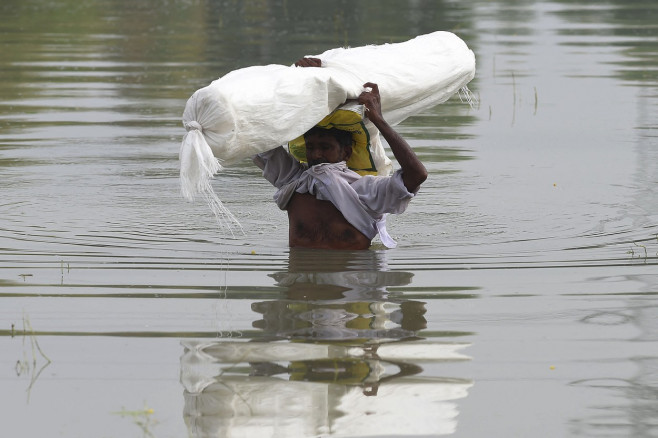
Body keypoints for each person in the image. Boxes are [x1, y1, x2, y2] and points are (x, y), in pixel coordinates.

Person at [253, 58, 427, 250]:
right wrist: (301, 80)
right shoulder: (293, 181)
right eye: (311, 147)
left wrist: (378, 120)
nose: (316, 154)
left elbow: (417, 174)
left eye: (325, 147)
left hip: (354, 277)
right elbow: (258, 132)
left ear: (346, 152)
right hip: (301, 279)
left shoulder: (364, 190)